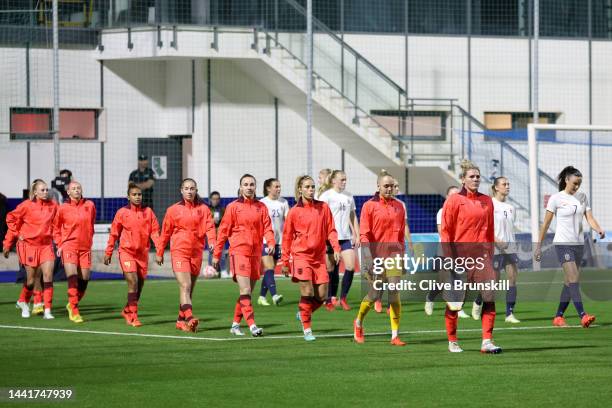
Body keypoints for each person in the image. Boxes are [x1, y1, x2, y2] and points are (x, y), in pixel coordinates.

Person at [440, 159, 501, 353]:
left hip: (482, 257)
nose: (476, 179)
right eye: (471, 177)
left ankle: (487, 341)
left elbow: (490, 230)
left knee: (489, 297)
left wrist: (490, 254)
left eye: (477, 177)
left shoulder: (487, 200)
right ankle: (452, 341)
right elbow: (446, 231)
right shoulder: (454, 200)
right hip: (460, 257)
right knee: (456, 302)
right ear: (463, 179)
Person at [534, 166, 605, 328]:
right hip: (563, 244)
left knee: (568, 282)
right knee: (574, 278)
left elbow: (590, 217)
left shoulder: (582, 197)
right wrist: (538, 246)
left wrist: (598, 229)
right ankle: (583, 315)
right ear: (566, 180)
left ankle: (558, 317)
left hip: (579, 245)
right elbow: (545, 224)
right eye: (574, 183)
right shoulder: (556, 198)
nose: (577, 187)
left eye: (579, 184)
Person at [213, 174, 274, 337]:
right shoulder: (233, 207)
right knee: (245, 289)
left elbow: (267, 227)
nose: (249, 187)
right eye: (245, 184)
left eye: (251, 184)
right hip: (239, 252)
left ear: (255, 187)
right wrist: (216, 255)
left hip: (256, 254)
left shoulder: (261, 207)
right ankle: (253, 326)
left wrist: (271, 242)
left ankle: (234, 325)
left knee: (246, 293)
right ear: (240, 187)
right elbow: (223, 231)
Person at [282, 175, 340, 341]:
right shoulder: (294, 212)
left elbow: (331, 230)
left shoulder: (323, 207)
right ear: (300, 189)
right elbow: (286, 237)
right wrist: (285, 261)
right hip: (301, 256)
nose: (311, 189)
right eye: (307, 187)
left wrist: (336, 247)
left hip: (318, 257)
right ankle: (307, 330)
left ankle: (303, 312)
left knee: (322, 296)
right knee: (307, 291)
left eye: (313, 186)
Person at [353, 170, 407, 346]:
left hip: (394, 255)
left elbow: (400, 236)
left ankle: (394, 335)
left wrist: (403, 257)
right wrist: (367, 256)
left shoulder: (400, 206)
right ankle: (359, 322)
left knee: (394, 292)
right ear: (378, 186)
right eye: (386, 186)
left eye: (392, 186)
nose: (390, 189)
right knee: (375, 294)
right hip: (375, 256)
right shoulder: (369, 206)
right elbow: (364, 234)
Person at [156, 178, 216, 333]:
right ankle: (190, 318)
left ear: (196, 190)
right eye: (186, 188)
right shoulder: (173, 210)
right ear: (181, 190)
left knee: (190, 289)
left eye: (192, 188)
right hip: (179, 252)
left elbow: (210, 227)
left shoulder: (203, 209)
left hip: (196, 253)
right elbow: (165, 232)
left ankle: (180, 321)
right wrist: (160, 252)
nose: (189, 191)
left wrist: (212, 241)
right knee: (185, 285)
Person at [104, 182, 160, 327]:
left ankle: (127, 309)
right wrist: (108, 252)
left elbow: (155, 232)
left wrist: (159, 251)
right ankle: (133, 316)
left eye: (139, 194)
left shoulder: (148, 212)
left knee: (139, 286)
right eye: (134, 195)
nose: (137, 197)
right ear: (128, 197)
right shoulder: (122, 213)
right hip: (126, 252)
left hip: (142, 254)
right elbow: (114, 234)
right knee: (133, 282)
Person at [3, 179, 58, 319]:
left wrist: (60, 241)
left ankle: (47, 311)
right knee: (31, 280)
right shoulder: (26, 206)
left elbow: (58, 223)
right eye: (42, 190)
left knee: (48, 276)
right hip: (29, 246)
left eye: (47, 190)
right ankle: (23, 301)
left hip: (46, 246)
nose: (46, 192)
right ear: (35, 192)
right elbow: (10, 218)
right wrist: (15, 236)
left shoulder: (53, 205)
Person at [53, 181, 96, 323]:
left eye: (79, 188)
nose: (77, 190)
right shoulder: (63, 208)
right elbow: (56, 228)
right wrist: (60, 244)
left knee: (84, 279)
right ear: (68, 193)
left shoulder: (90, 205)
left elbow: (91, 223)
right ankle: (75, 311)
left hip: (85, 248)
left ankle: (71, 303)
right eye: (73, 188)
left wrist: (89, 239)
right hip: (69, 246)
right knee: (72, 277)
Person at [424, 185, 470, 319]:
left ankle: (458, 308)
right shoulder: (442, 212)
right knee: (443, 281)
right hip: (445, 251)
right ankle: (430, 297)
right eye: (452, 194)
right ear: (447, 197)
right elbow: (442, 232)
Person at [318, 170, 359, 311]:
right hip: (330, 239)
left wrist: (357, 234)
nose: (344, 182)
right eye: (342, 179)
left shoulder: (349, 196)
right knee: (331, 269)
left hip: (345, 237)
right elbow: (320, 217)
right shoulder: (326, 196)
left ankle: (343, 298)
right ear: (333, 180)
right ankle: (329, 299)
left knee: (351, 266)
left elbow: (353, 215)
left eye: (345, 179)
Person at [490, 177, 521, 324]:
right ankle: (479, 301)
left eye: (508, 184)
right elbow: (485, 228)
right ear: (496, 187)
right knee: (494, 282)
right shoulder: (490, 204)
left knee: (512, 279)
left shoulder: (511, 208)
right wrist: (497, 240)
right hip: (495, 248)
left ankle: (509, 314)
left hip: (510, 248)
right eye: (504, 184)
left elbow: (510, 229)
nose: (507, 186)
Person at [258, 178, 288, 306]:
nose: (279, 189)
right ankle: (275, 295)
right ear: (268, 188)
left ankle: (261, 297)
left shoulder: (284, 202)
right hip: (264, 240)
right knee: (269, 267)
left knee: (270, 270)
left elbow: (289, 221)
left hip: (278, 241)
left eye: (279, 186)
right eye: (276, 186)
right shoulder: (262, 203)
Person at [208, 191, 227, 278]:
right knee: (211, 253)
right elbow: (204, 222)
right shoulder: (207, 209)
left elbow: (226, 222)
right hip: (210, 235)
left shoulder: (222, 210)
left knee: (221, 253)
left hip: (220, 235)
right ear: (210, 199)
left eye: (217, 199)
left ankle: (223, 271)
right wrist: (212, 221)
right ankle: (211, 270)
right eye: (213, 199)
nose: (215, 201)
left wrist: (220, 225)